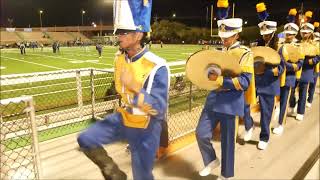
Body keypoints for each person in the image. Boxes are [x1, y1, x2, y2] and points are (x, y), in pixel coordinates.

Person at [77, 0, 170, 179]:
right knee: (86, 139)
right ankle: (115, 175)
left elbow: (158, 109)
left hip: (147, 127)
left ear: (138, 35)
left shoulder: (157, 66)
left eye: (123, 33)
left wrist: (135, 86)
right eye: (117, 33)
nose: (118, 37)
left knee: (142, 175)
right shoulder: (120, 59)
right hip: (126, 116)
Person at [196, 0, 255, 179]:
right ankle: (211, 160)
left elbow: (245, 82)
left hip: (231, 103)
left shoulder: (245, 54)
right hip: (213, 99)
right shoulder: (218, 51)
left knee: (228, 143)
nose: (224, 38)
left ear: (236, 34)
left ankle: (226, 175)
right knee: (201, 133)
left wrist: (221, 79)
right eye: (222, 34)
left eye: (228, 35)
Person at [243, 2, 285, 150]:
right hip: (255, 82)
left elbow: (282, 67)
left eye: (268, 34)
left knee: (266, 114)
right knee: (244, 105)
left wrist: (272, 71)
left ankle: (264, 138)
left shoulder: (279, 47)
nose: (265, 36)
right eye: (263, 34)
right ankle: (249, 126)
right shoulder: (258, 45)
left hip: (269, 84)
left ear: (273, 32)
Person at [273, 8, 304, 135]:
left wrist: (285, 65)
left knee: (284, 101)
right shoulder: (280, 44)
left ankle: (281, 124)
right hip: (278, 77)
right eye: (287, 33)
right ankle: (277, 113)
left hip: (289, 77)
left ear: (295, 34)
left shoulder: (298, 46)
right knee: (276, 99)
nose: (288, 35)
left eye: (291, 33)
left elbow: (299, 65)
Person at [289, 12, 319, 121]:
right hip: (295, 70)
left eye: (306, 32)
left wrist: (311, 61)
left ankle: (300, 111)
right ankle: (292, 104)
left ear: (311, 33)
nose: (304, 34)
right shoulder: (297, 43)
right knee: (291, 90)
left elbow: (318, 57)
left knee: (303, 93)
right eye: (303, 32)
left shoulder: (314, 44)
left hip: (306, 70)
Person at [306, 22, 320, 108]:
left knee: (312, 84)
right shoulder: (310, 44)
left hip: (316, 68)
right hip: (309, 67)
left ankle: (310, 99)